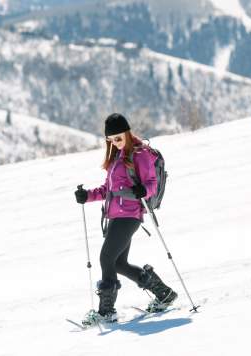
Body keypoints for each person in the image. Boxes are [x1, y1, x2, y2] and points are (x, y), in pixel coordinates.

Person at [74, 113, 177, 325]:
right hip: (115, 216)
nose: (115, 143)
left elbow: (151, 185)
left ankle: (106, 312)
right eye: (111, 140)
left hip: (130, 215)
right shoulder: (116, 158)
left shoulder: (141, 154)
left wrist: (142, 190)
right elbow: (108, 190)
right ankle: (164, 293)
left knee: (106, 258)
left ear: (128, 133)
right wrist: (87, 196)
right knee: (118, 263)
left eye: (118, 138)